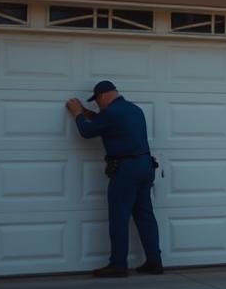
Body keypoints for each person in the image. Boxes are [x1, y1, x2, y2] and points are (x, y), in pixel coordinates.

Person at [67, 80, 163, 278]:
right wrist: (87, 112)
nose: (98, 105)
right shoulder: (134, 109)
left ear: (103, 96)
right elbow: (105, 123)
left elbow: (87, 131)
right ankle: (155, 262)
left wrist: (77, 113)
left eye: (97, 101)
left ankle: (118, 264)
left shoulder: (111, 113)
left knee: (119, 217)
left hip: (126, 169)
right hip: (145, 166)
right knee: (145, 216)